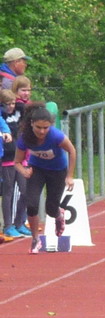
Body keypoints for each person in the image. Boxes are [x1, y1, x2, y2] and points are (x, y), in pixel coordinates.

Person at [14, 103, 76, 254]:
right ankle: (36, 239)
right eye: (38, 127)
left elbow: (72, 151)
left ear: (50, 126)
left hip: (57, 171)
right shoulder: (25, 138)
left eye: (45, 128)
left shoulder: (56, 136)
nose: (42, 131)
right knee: (32, 205)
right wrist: (24, 171)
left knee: (51, 209)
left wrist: (70, 176)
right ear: (32, 124)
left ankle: (58, 214)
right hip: (37, 170)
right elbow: (17, 162)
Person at [1, 88, 27, 238]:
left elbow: (27, 108)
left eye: (12, 103)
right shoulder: (1, 115)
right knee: (8, 191)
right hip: (7, 158)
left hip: (20, 157)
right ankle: (8, 225)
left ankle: (19, 222)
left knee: (25, 190)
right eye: (7, 104)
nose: (11, 106)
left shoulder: (20, 110)